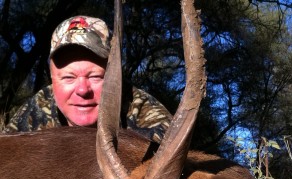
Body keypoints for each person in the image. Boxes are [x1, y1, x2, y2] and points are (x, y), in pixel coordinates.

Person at [4, 16, 172, 143]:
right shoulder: (38, 108)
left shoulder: (143, 110)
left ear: (117, 80)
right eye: (69, 78)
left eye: (96, 77)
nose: (83, 90)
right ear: (53, 81)